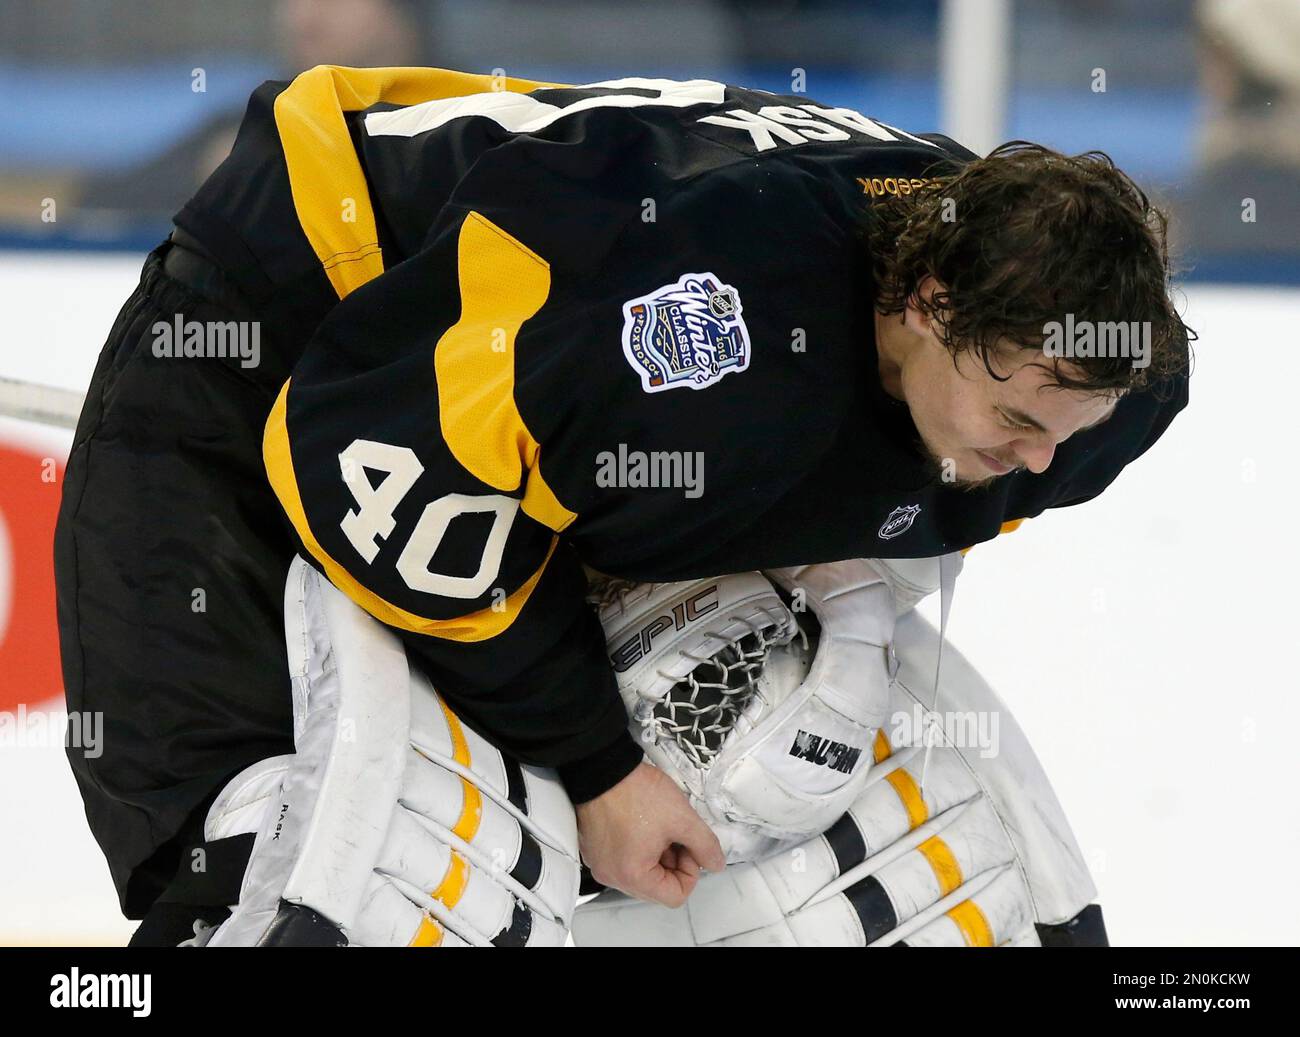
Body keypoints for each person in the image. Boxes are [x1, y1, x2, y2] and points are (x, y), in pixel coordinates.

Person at [53, 67, 1192, 945]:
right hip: (297, 290)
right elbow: (376, 470)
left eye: (1067, 434)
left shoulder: (1103, 396)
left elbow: (852, 486)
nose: (1036, 463)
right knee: (249, 857)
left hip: (536, 372)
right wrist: (599, 767)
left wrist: (842, 618)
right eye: (1018, 418)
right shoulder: (691, 333)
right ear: (930, 302)